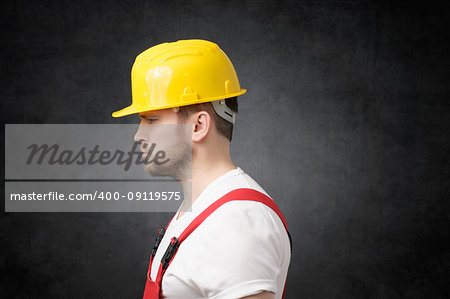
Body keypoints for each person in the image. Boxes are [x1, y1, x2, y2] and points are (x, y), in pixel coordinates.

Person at [112, 39, 291, 299]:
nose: (138, 135)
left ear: (197, 126)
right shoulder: (204, 208)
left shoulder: (236, 224)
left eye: (151, 120)